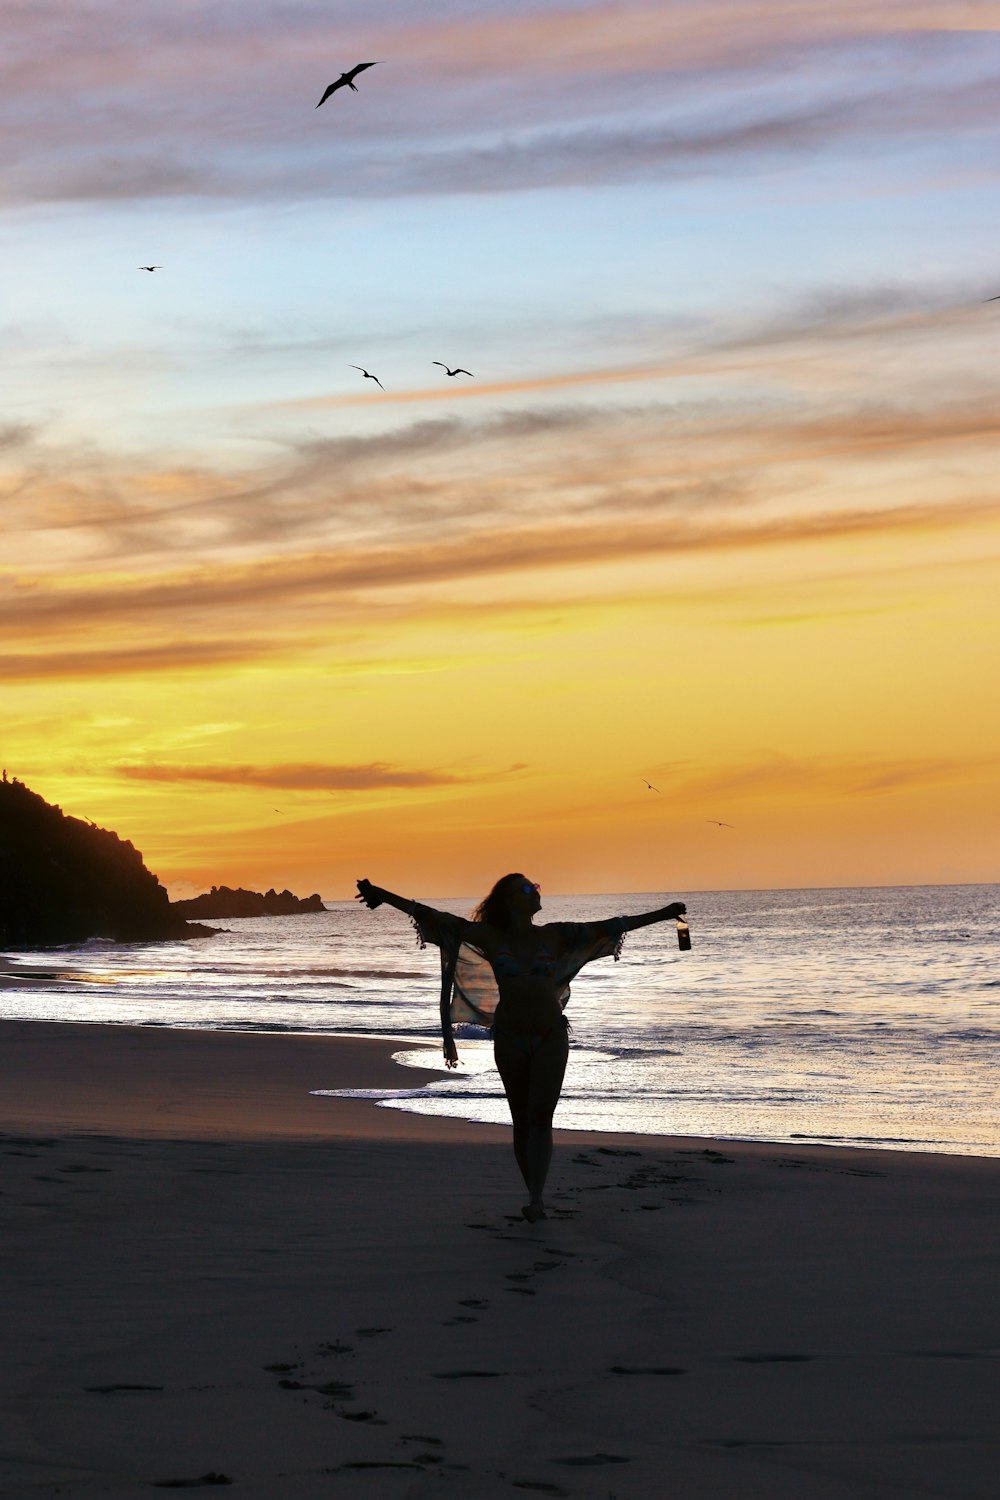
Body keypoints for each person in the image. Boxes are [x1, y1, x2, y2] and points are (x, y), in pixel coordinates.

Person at [355, 873, 687, 1223]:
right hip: (511, 1035)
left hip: (550, 1034)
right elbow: (432, 916)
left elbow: (613, 925)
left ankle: (536, 1199)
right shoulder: (488, 936)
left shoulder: (554, 934)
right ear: (510, 900)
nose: (537, 892)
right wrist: (382, 894)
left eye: (537, 887)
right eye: (529, 889)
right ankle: (534, 1191)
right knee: (522, 1119)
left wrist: (664, 914)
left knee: (541, 1116)